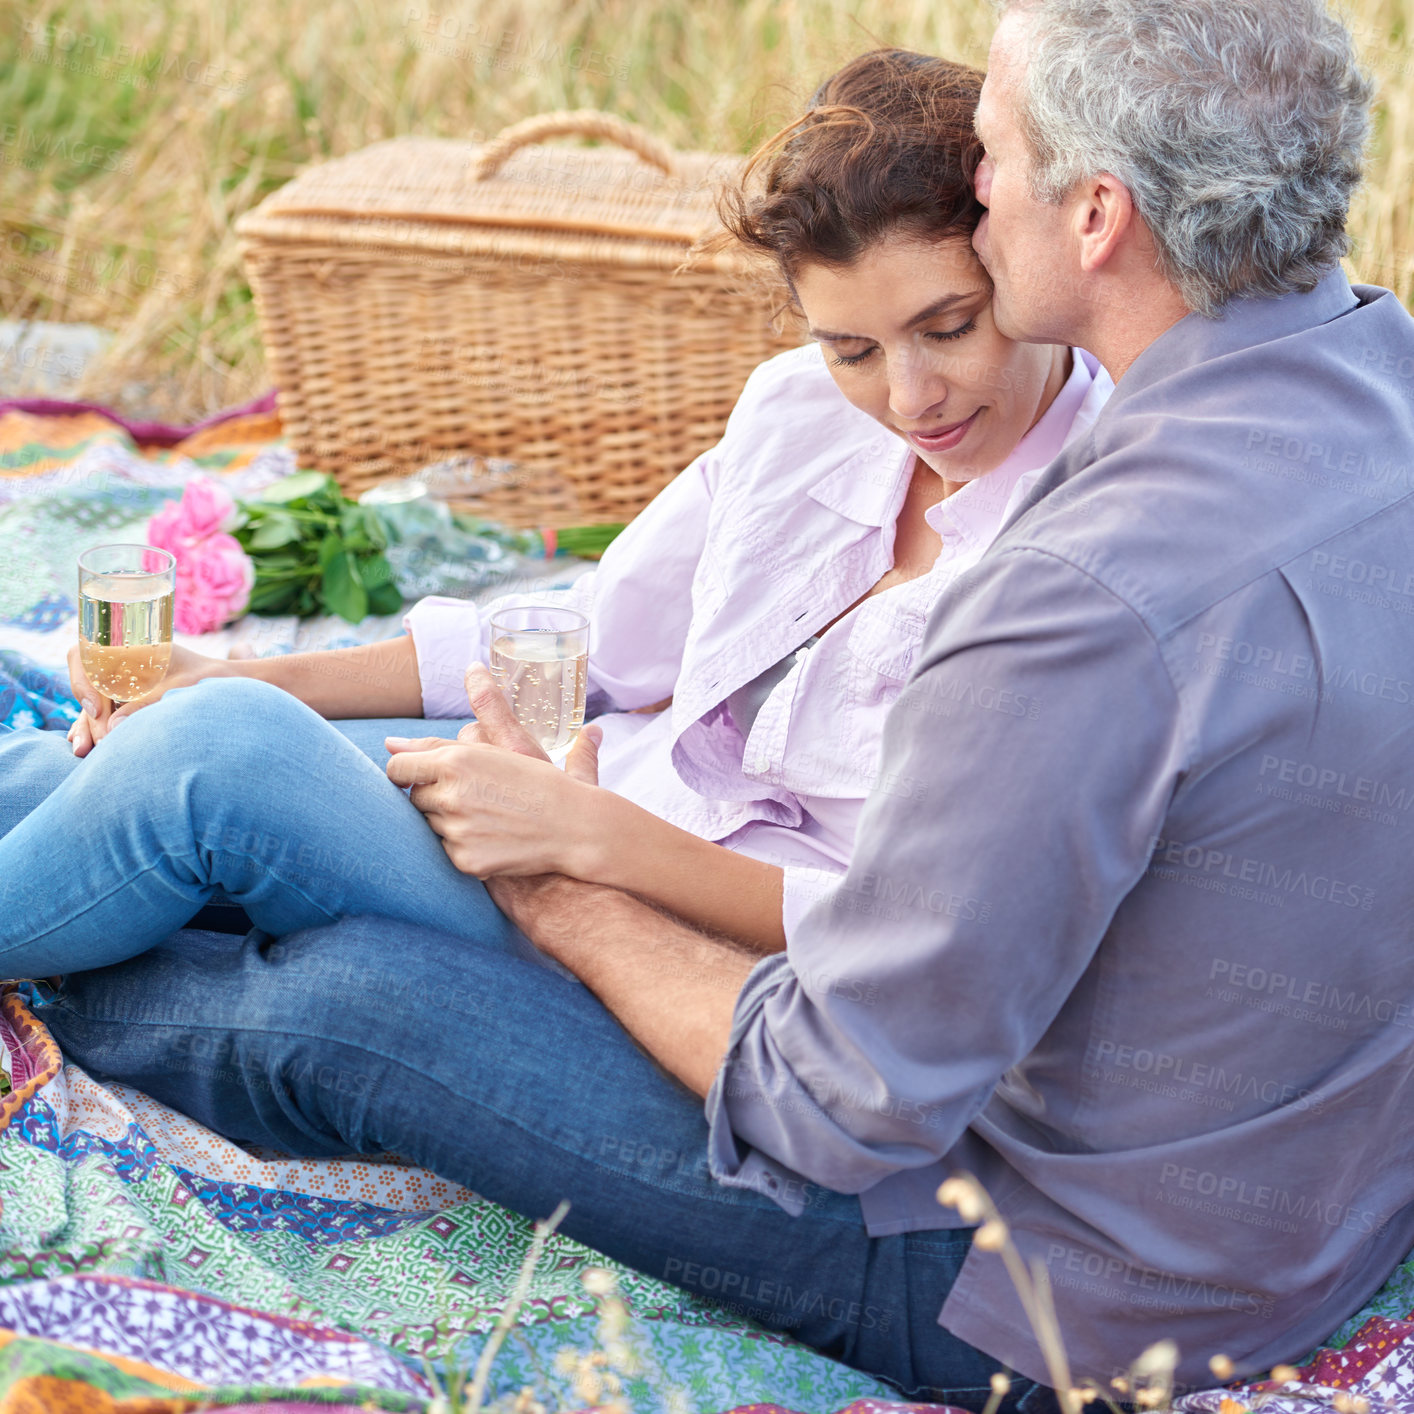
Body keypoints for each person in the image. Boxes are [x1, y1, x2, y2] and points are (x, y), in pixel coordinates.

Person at [11, 0, 1412, 1403]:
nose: (977, 183)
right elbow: (619, 639)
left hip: (1032, 1282)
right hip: (1276, 1212)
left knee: (344, 982)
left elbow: (839, 1089)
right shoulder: (1374, 377)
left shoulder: (1077, 594)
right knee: (235, 772)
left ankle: (70, 936)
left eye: (991, 146)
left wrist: (561, 883)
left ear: (1094, 212)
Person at [0, 49, 1108, 979]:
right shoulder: (797, 410)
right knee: (89, 760)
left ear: (1028, 265)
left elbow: (915, 929)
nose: (907, 397)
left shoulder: (1094, 541)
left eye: (950, 326)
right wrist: (251, 669)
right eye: (853, 348)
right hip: (578, 793)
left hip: (662, 937)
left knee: (219, 764)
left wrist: (590, 844)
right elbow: (590, 643)